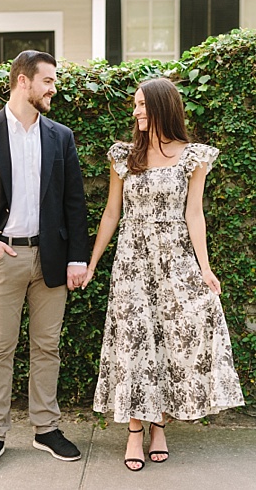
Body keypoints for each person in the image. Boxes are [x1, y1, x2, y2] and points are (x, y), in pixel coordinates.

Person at [82, 77, 244, 472]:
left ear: (161, 107)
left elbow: (194, 215)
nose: (135, 111)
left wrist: (205, 270)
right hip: (132, 261)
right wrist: (92, 263)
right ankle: (135, 430)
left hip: (175, 260)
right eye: (135, 104)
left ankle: (159, 425)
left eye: (141, 104)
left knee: (173, 340)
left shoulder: (193, 157)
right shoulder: (123, 156)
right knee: (135, 341)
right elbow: (111, 213)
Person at [0, 50, 90, 474]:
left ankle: (45, 428)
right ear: (23, 82)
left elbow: (74, 203)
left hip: (52, 259)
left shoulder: (60, 136)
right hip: (3, 257)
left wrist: (77, 257)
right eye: (47, 81)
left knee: (48, 346)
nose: (53, 89)